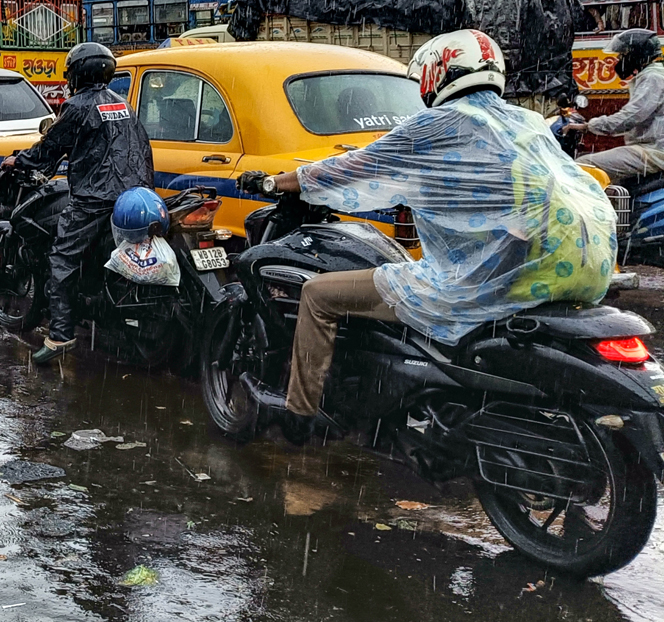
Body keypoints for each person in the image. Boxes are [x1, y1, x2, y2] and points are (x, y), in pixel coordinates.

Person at [251, 30, 617, 444]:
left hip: (480, 284)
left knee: (318, 294)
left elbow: (353, 167)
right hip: (565, 272)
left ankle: (301, 418)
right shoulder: (525, 122)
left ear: (436, 75)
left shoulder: (437, 124)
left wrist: (279, 182)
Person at [1, 42, 155, 362]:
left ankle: (60, 336)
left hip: (94, 201)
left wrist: (20, 162)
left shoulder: (77, 106)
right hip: (134, 195)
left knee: (60, 261)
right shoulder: (121, 104)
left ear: (76, 74)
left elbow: (50, 148)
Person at [566, 28, 664, 181]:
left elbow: (630, 117)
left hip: (654, 152)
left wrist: (589, 126)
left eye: (623, 55)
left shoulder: (652, 77)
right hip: (650, 148)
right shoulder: (652, 74)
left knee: (582, 166)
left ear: (636, 54)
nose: (619, 60)